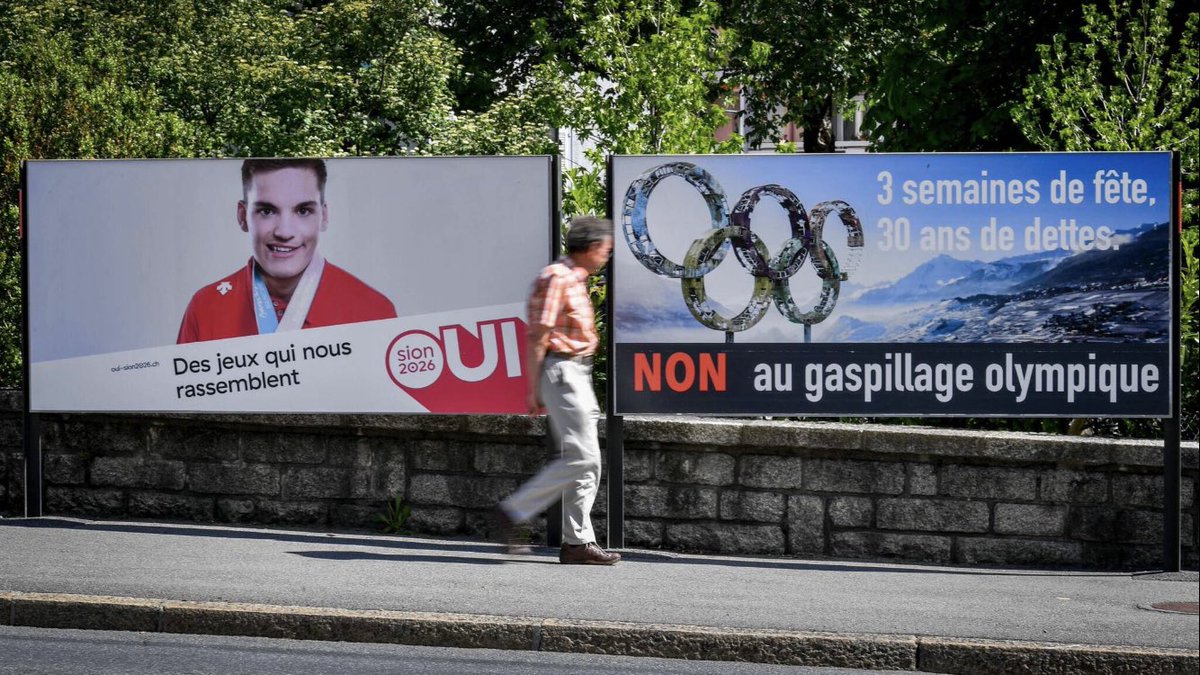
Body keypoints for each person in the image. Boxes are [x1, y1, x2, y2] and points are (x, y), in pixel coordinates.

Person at [494, 216, 620, 565]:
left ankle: (577, 543)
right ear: (592, 247)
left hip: (578, 371)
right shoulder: (557, 277)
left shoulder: (574, 279)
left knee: (588, 463)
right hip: (562, 370)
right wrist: (534, 387)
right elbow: (538, 333)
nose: (607, 256)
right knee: (582, 458)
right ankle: (513, 511)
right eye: (606, 249)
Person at [177, 158, 396, 343]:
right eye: (266, 211)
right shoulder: (205, 308)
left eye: (303, 211)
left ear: (324, 216)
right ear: (242, 216)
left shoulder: (375, 312)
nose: (284, 231)